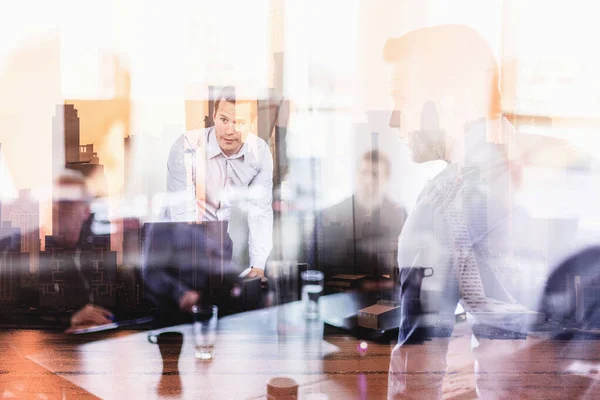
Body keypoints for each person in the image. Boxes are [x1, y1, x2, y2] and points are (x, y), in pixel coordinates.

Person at [383, 24, 595, 398]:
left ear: (447, 99)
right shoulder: (576, 163)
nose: (395, 119)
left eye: (403, 99)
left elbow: (415, 378)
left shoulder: (436, 210)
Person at [146, 86, 273, 314]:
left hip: (219, 239)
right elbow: (183, 214)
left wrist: (258, 266)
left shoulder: (260, 153)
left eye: (239, 123)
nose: (230, 130)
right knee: (180, 316)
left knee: (221, 316)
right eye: (224, 119)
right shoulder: (187, 147)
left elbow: (260, 211)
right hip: (175, 242)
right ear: (214, 116)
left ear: (252, 124)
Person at [313, 150, 407, 280]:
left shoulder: (399, 215)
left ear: (387, 176)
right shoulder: (332, 215)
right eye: (364, 173)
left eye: (374, 174)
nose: (368, 180)